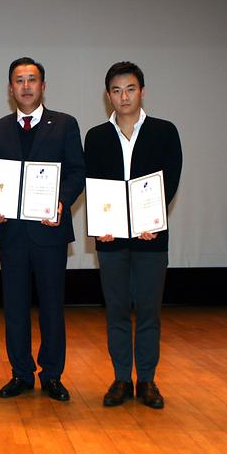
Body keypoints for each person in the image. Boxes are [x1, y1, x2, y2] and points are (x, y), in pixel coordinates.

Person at [0, 57, 85, 402]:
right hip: (12, 233)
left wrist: (62, 201)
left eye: (32, 80)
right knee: (14, 307)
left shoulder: (66, 124)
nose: (26, 86)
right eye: (19, 80)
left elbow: (76, 172)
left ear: (43, 86)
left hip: (49, 230)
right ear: (10, 88)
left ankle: (52, 375)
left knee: (53, 306)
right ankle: (21, 373)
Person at [83, 61, 182, 410]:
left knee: (149, 311)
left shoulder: (164, 131)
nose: (123, 96)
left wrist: (151, 218)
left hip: (150, 238)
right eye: (116, 90)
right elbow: (92, 184)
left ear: (142, 91)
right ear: (107, 95)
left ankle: (148, 381)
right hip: (111, 241)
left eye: (130, 89)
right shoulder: (95, 136)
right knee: (117, 310)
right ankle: (122, 378)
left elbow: (170, 180)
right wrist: (99, 224)